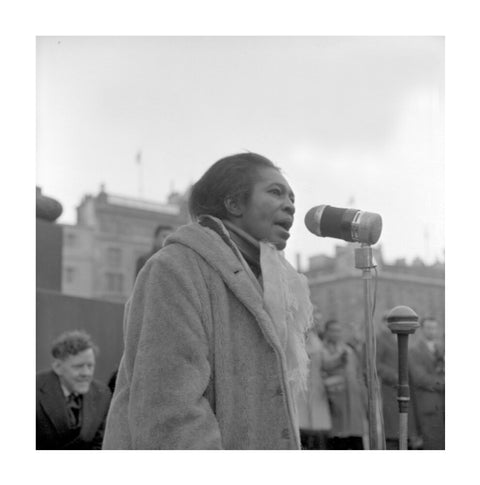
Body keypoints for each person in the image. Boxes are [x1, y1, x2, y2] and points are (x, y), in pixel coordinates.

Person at [102, 152, 313, 449]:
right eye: (275, 192)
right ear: (234, 203)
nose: (290, 205)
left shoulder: (271, 283)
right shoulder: (174, 268)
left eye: (292, 197)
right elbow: (170, 412)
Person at [36, 330, 111, 449]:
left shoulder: (102, 394)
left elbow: (99, 444)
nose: (86, 373)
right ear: (58, 367)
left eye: (90, 366)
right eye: (78, 366)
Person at [376, 312, 420, 449]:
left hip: (406, 386)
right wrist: (395, 376)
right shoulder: (379, 339)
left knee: (406, 426)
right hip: (390, 388)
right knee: (393, 428)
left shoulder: (402, 337)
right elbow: (375, 364)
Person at [321, 319, 368, 450]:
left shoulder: (349, 350)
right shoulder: (321, 350)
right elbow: (325, 365)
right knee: (337, 441)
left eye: (339, 330)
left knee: (356, 440)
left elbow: (359, 375)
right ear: (326, 332)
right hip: (335, 403)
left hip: (353, 402)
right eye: (333, 330)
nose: (336, 333)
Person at [409, 317, 445, 449]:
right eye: (429, 328)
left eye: (434, 328)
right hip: (428, 406)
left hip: (444, 405)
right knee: (433, 445)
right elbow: (420, 378)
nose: (432, 331)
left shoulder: (442, 348)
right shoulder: (414, 351)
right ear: (422, 330)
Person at [297, 321, 331, 449]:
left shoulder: (318, 344)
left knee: (318, 424)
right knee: (301, 420)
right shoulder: (296, 341)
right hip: (300, 386)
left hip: (316, 386)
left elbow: (326, 363)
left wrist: (339, 360)